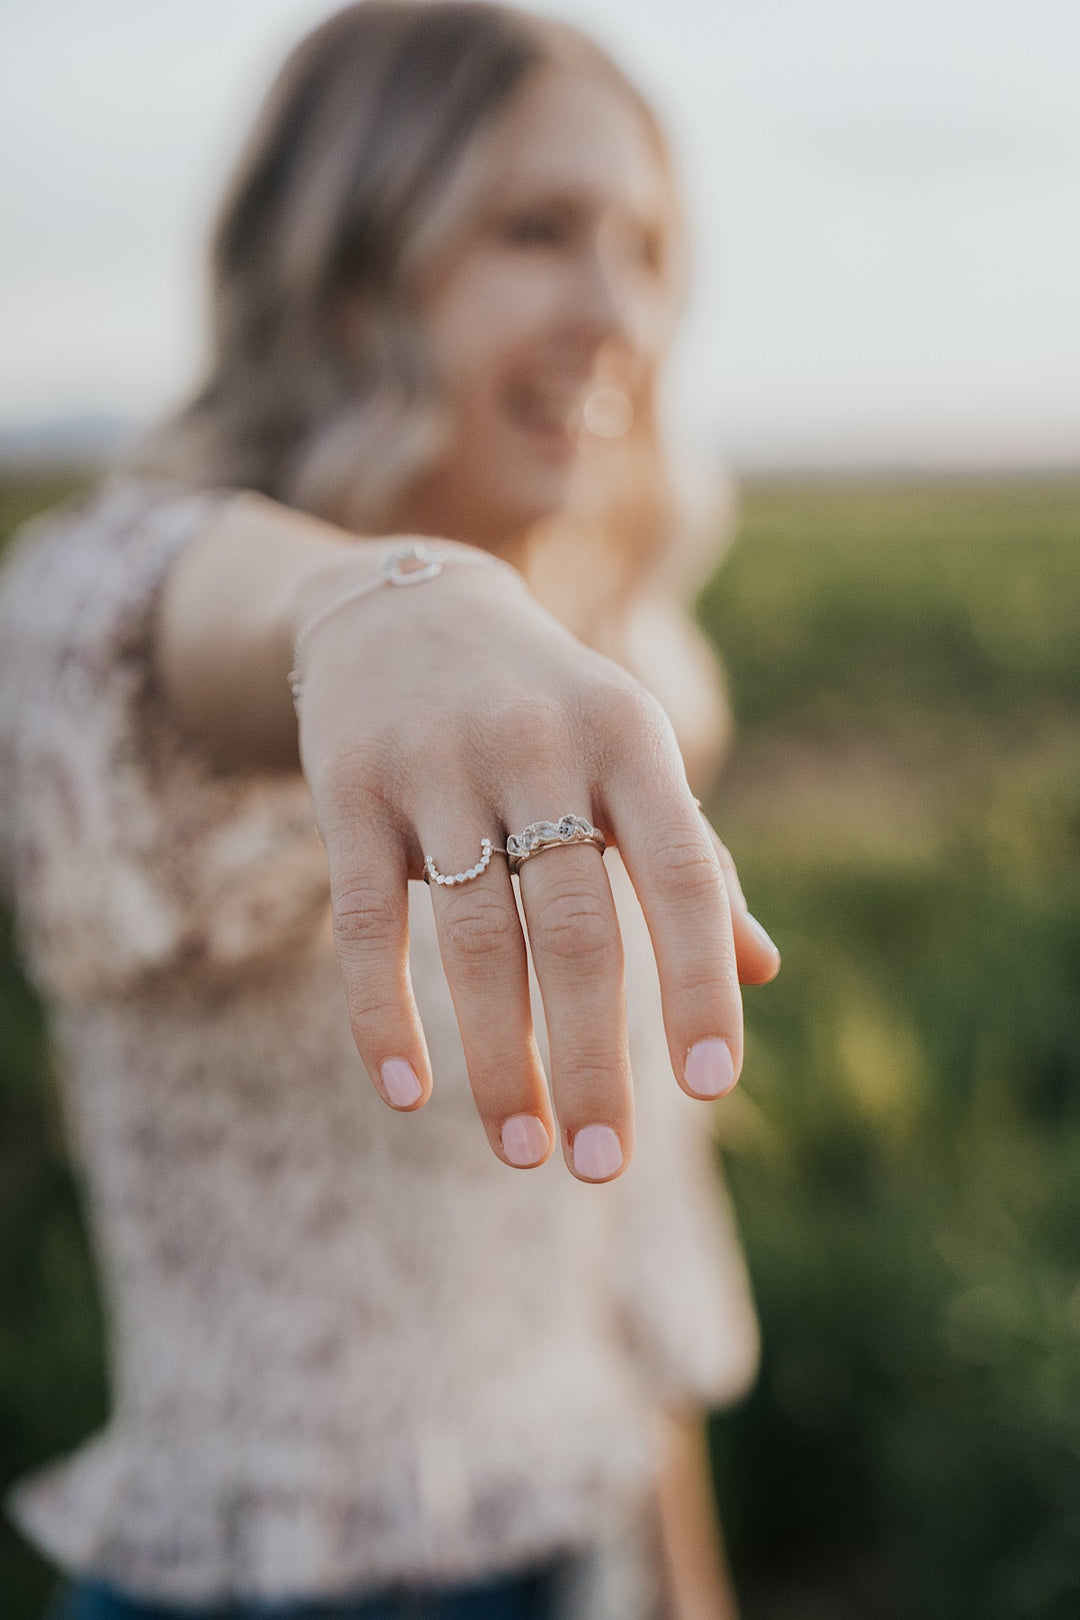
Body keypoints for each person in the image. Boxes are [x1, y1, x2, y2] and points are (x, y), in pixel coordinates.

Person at [0, 4, 781, 1617]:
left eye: (646, 245)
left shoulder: (612, 678)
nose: (616, 308)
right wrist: (375, 604)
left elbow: (624, 1236)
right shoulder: (121, 636)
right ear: (349, 264)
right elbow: (158, 613)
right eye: (536, 229)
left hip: (587, 1563)